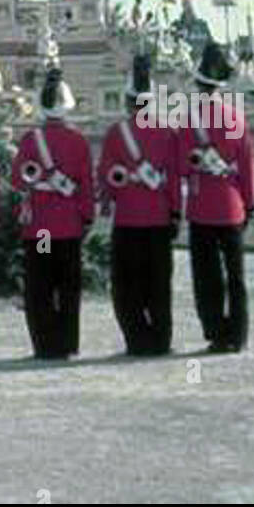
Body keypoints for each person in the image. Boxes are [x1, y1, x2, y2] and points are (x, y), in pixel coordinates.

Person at [97, 52, 180, 356]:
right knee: (159, 284)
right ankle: (161, 339)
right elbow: (173, 178)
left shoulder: (116, 134)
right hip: (159, 218)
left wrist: (107, 203)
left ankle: (137, 338)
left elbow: (105, 177)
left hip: (128, 219)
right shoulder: (167, 132)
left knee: (127, 286)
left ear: (129, 102)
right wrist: (175, 212)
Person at [11, 66, 94, 359]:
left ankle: (45, 344)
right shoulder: (79, 141)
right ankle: (68, 342)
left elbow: (18, 180)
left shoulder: (32, 141)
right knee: (69, 287)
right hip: (70, 225)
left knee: (41, 285)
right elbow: (86, 185)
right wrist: (86, 217)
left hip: (42, 228)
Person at [179, 41, 254, 353]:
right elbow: (246, 165)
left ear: (198, 82)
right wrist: (249, 203)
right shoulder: (236, 119)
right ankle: (237, 334)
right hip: (232, 204)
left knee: (207, 276)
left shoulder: (187, 120)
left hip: (201, 206)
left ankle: (215, 331)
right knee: (236, 276)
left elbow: (182, 166)